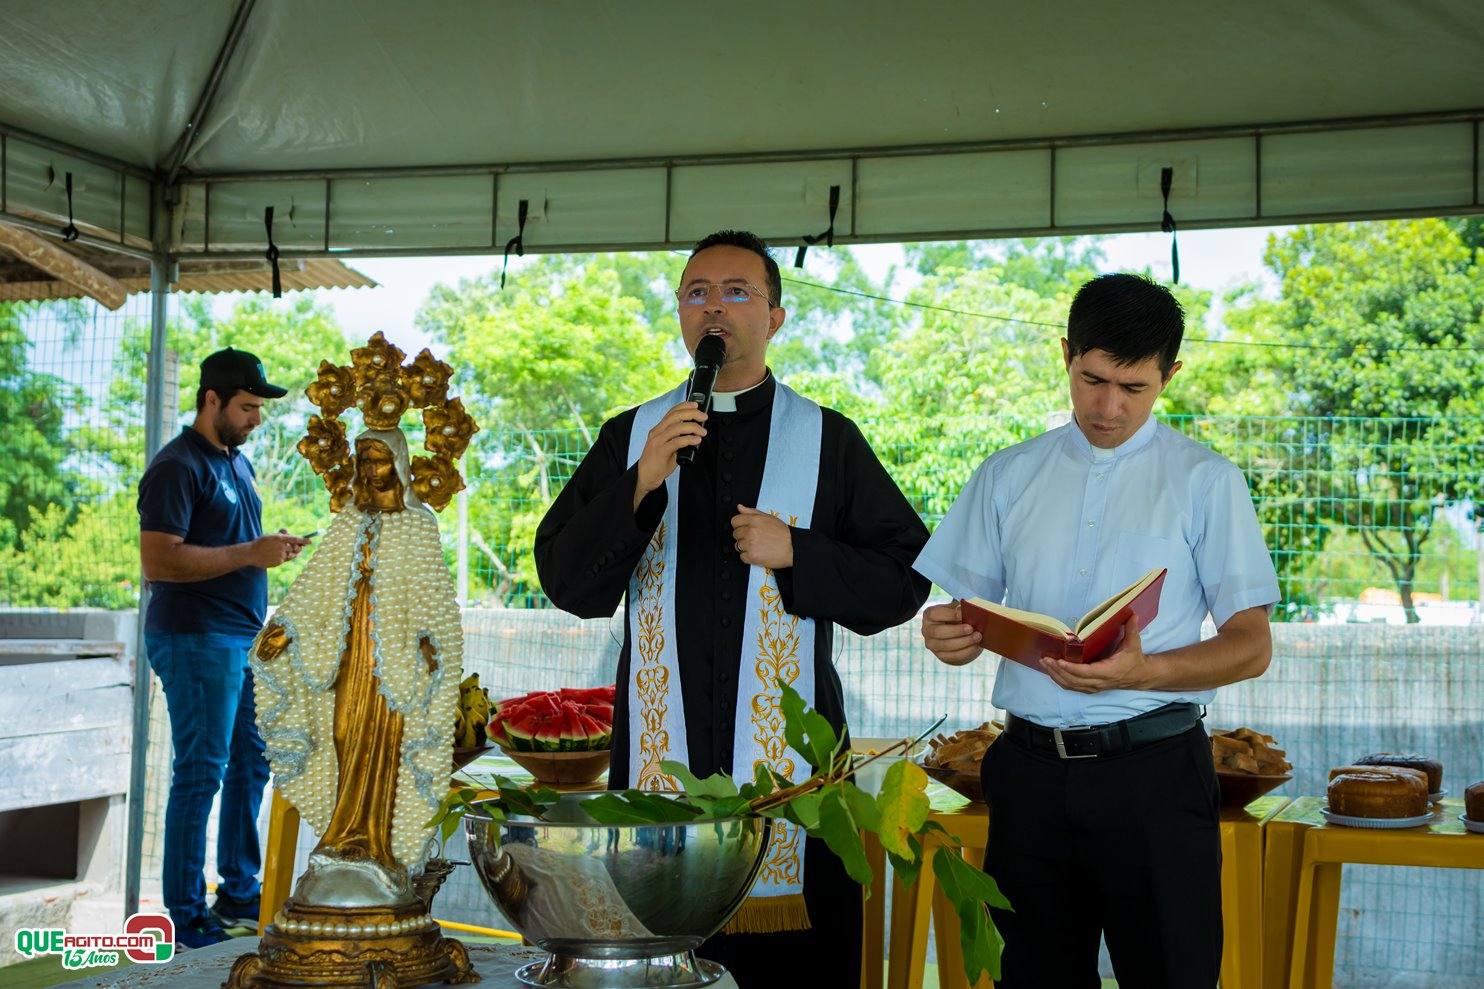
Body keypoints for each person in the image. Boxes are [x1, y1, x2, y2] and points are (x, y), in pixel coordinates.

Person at [534, 230, 930, 986]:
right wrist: (643, 481)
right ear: (681, 316)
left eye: (736, 292)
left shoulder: (828, 440)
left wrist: (801, 551)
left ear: (775, 318)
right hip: (659, 776)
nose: (714, 308)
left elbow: (903, 580)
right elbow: (565, 579)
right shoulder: (633, 435)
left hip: (796, 786)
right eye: (697, 293)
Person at [915, 273, 1280, 988]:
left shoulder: (1208, 480)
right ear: (1065, 354)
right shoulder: (1007, 474)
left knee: (1171, 973)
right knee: (1030, 977)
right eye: (1092, 379)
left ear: (1170, 375)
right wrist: (946, 634)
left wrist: (1145, 671)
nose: (1108, 406)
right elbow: (964, 615)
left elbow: (1251, 643)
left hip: (1155, 773)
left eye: (1134, 388)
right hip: (1025, 775)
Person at [138, 348, 310, 948]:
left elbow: (236, 543)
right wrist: (249, 554)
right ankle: (185, 918)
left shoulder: (236, 464)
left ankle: (240, 891)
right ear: (212, 399)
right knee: (201, 773)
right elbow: (158, 560)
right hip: (194, 637)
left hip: (242, 637)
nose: (256, 419)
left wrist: (272, 548)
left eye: (259, 408)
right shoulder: (176, 466)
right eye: (247, 407)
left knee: (252, 763)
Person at [252, 428, 462, 899]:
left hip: (396, 666)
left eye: (379, 460)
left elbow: (435, 601)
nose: (370, 469)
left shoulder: (418, 524)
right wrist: (285, 630)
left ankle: (380, 849)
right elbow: (316, 592)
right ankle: (340, 839)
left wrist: (432, 645)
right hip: (350, 658)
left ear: (400, 464)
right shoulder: (348, 523)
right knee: (344, 736)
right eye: (363, 459)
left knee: (387, 748)